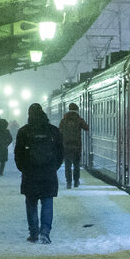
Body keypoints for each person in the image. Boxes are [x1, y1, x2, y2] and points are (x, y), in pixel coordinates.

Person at [14, 103, 63, 243]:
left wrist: (24, 168)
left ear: (29, 115)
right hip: (48, 174)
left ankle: (34, 233)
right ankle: (45, 232)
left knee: (31, 203)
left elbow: (18, 153)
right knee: (47, 202)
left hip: (30, 174)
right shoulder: (53, 131)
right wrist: (53, 168)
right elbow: (60, 153)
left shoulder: (24, 131)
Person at [59, 102, 90, 189]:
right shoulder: (78, 119)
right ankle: (76, 181)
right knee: (76, 165)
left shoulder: (64, 120)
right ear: (76, 110)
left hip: (66, 146)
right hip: (77, 146)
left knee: (67, 165)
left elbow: (60, 131)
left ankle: (69, 182)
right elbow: (87, 127)